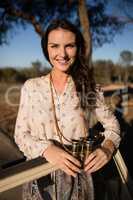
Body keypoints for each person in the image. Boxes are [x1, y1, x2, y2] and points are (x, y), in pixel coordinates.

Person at [14, 19, 121, 200]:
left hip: (80, 179)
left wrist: (107, 149)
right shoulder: (31, 87)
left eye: (69, 46)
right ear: (46, 48)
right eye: (54, 46)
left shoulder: (90, 88)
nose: (62, 54)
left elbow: (113, 126)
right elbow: (20, 134)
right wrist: (47, 150)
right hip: (40, 179)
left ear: (78, 48)